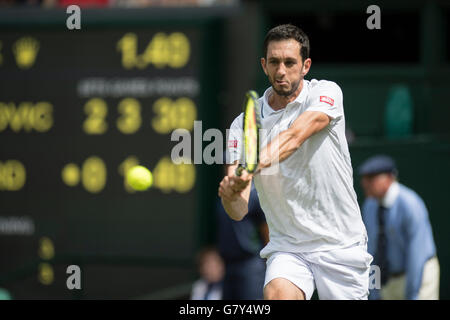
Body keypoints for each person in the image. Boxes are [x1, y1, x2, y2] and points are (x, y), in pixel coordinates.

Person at [218, 24, 372, 300]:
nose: (281, 71)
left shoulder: (326, 93)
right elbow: (238, 210)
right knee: (277, 294)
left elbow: (294, 137)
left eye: (290, 63)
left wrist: (252, 163)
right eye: (274, 62)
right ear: (264, 65)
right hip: (287, 247)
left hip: (340, 244)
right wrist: (231, 194)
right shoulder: (240, 126)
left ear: (305, 66)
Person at [359, 155, 439, 300]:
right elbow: (372, 252)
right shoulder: (369, 207)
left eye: (372, 178)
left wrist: (413, 293)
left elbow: (416, 255)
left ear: (389, 178)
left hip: (420, 276)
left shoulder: (410, 204)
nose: (365, 183)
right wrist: (374, 290)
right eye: (364, 178)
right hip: (388, 281)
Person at [216, 175, 269, 299]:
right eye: (226, 163)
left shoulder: (256, 194)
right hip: (227, 266)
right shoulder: (223, 193)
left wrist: (269, 262)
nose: (229, 167)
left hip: (251, 266)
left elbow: (266, 231)